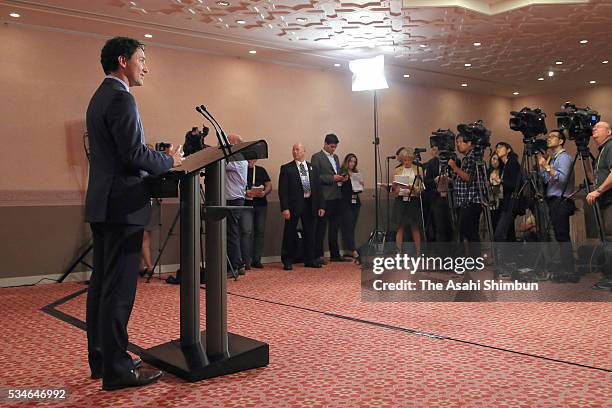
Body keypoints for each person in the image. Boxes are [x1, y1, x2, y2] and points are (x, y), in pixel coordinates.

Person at [85, 37, 183, 391]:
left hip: (103, 202)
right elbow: (133, 154)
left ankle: (101, 358)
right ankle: (117, 369)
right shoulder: (121, 97)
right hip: (122, 205)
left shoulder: (99, 97)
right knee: (119, 290)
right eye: (142, 59)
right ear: (123, 60)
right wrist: (170, 161)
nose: (146, 66)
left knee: (101, 286)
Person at [538, 130, 578, 281]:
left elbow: (562, 179)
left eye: (552, 137)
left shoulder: (564, 158)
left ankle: (569, 271)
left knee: (562, 236)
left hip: (562, 200)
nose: (548, 139)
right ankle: (563, 268)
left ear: (561, 141)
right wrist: (543, 166)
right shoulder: (553, 158)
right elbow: (548, 180)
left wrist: (547, 167)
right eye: (548, 137)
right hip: (553, 200)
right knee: (558, 236)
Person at [278, 143, 325, 270]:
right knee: (289, 232)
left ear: (304, 151)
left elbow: (318, 188)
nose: (295, 152)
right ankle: (287, 260)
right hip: (294, 205)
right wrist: (285, 208)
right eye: (293, 149)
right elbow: (283, 191)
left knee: (310, 232)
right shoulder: (287, 168)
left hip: (310, 203)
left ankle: (310, 259)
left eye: (297, 149)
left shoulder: (312, 167)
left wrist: (321, 206)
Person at [311, 134, 350, 263]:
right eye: (332, 147)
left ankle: (335, 254)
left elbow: (337, 173)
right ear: (326, 144)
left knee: (335, 227)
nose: (333, 149)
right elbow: (316, 177)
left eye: (335, 147)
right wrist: (333, 178)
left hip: (337, 195)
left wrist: (342, 177)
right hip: (324, 197)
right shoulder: (317, 157)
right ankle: (318, 255)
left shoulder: (336, 157)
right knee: (321, 227)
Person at [586, 121, 612, 289]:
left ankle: (610, 278)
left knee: (610, 238)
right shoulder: (602, 150)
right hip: (604, 200)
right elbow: (593, 178)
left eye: (599, 127)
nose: (594, 128)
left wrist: (599, 191)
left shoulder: (610, 147)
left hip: (609, 200)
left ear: (609, 132)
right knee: (606, 239)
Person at [448, 134, 484, 258]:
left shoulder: (472, 156)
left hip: (471, 200)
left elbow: (469, 177)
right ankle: (469, 259)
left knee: (471, 233)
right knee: (465, 232)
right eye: (457, 142)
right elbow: (463, 179)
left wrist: (454, 167)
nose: (458, 144)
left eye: (460, 142)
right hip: (463, 200)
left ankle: (475, 260)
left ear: (469, 143)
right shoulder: (466, 158)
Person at [225, 133, 250, 274]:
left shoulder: (238, 160)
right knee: (231, 232)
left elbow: (220, 163)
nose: (226, 144)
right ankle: (237, 263)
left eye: (229, 142)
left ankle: (234, 265)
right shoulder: (235, 159)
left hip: (234, 199)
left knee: (231, 233)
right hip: (232, 198)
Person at [391, 148, 423, 254]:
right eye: (404, 160)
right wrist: (394, 187)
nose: (407, 162)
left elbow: (421, 188)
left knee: (415, 226)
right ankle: (398, 252)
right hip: (401, 200)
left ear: (412, 159)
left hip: (413, 200)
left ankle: (418, 252)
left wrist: (413, 188)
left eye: (409, 160)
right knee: (400, 226)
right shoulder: (398, 170)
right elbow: (395, 190)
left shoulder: (418, 169)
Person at [423, 144, 454, 243]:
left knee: (452, 226)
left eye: (437, 148)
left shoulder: (453, 161)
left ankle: (454, 252)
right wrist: (435, 180)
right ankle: (440, 253)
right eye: (433, 149)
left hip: (451, 197)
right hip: (437, 197)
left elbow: (458, 178)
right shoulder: (431, 163)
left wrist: (451, 180)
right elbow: (426, 182)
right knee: (439, 226)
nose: (436, 151)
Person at [245, 159, 272, 269]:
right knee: (246, 232)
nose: (250, 161)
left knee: (260, 232)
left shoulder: (261, 170)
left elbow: (269, 184)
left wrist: (264, 192)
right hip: (246, 205)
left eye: (252, 159)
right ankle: (246, 260)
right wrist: (246, 192)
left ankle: (257, 259)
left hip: (261, 204)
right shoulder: (242, 170)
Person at [493, 142, 520, 242]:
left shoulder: (512, 163)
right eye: (496, 148)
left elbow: (515, 183)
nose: (497, 149)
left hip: (511, 203)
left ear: (508, 150)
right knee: (509, 233)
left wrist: (501, 181)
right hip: (507, 202)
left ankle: (504, 256)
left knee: (499, 234)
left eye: (500, 147)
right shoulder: (504, 166)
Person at [339, 153, 363, 262]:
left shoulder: (356, 173)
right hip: (345, 202)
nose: (352, 163)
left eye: (354, 161)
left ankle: (351, 249)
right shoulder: (342, 172)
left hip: (355, 202)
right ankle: (352, 250)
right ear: (346, 161)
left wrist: (361, 184)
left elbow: (358, 190)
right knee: (347, 227)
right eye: (350, 161)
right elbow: (340, 187)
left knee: (352, 227)